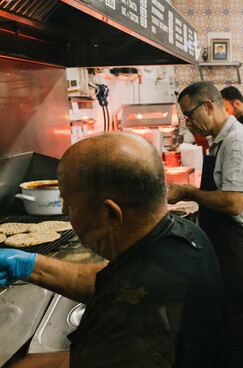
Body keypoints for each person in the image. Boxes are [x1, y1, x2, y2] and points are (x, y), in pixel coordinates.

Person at [0, 132, 228, 367]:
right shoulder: (183, 233)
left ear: (111, 213)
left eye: (69, 203)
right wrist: (28, 265)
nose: (65, 211)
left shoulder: (126, 322)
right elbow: (114, 281)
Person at [167, 81, 243, 367]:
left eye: (189, 115)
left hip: (239, 250)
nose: (188, 123)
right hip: (230, 248)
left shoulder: (237, 142)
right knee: (236, 329)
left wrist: (186, 193)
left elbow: (234, 202)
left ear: (208, 106)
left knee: (238, 334)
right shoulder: (223, 139)